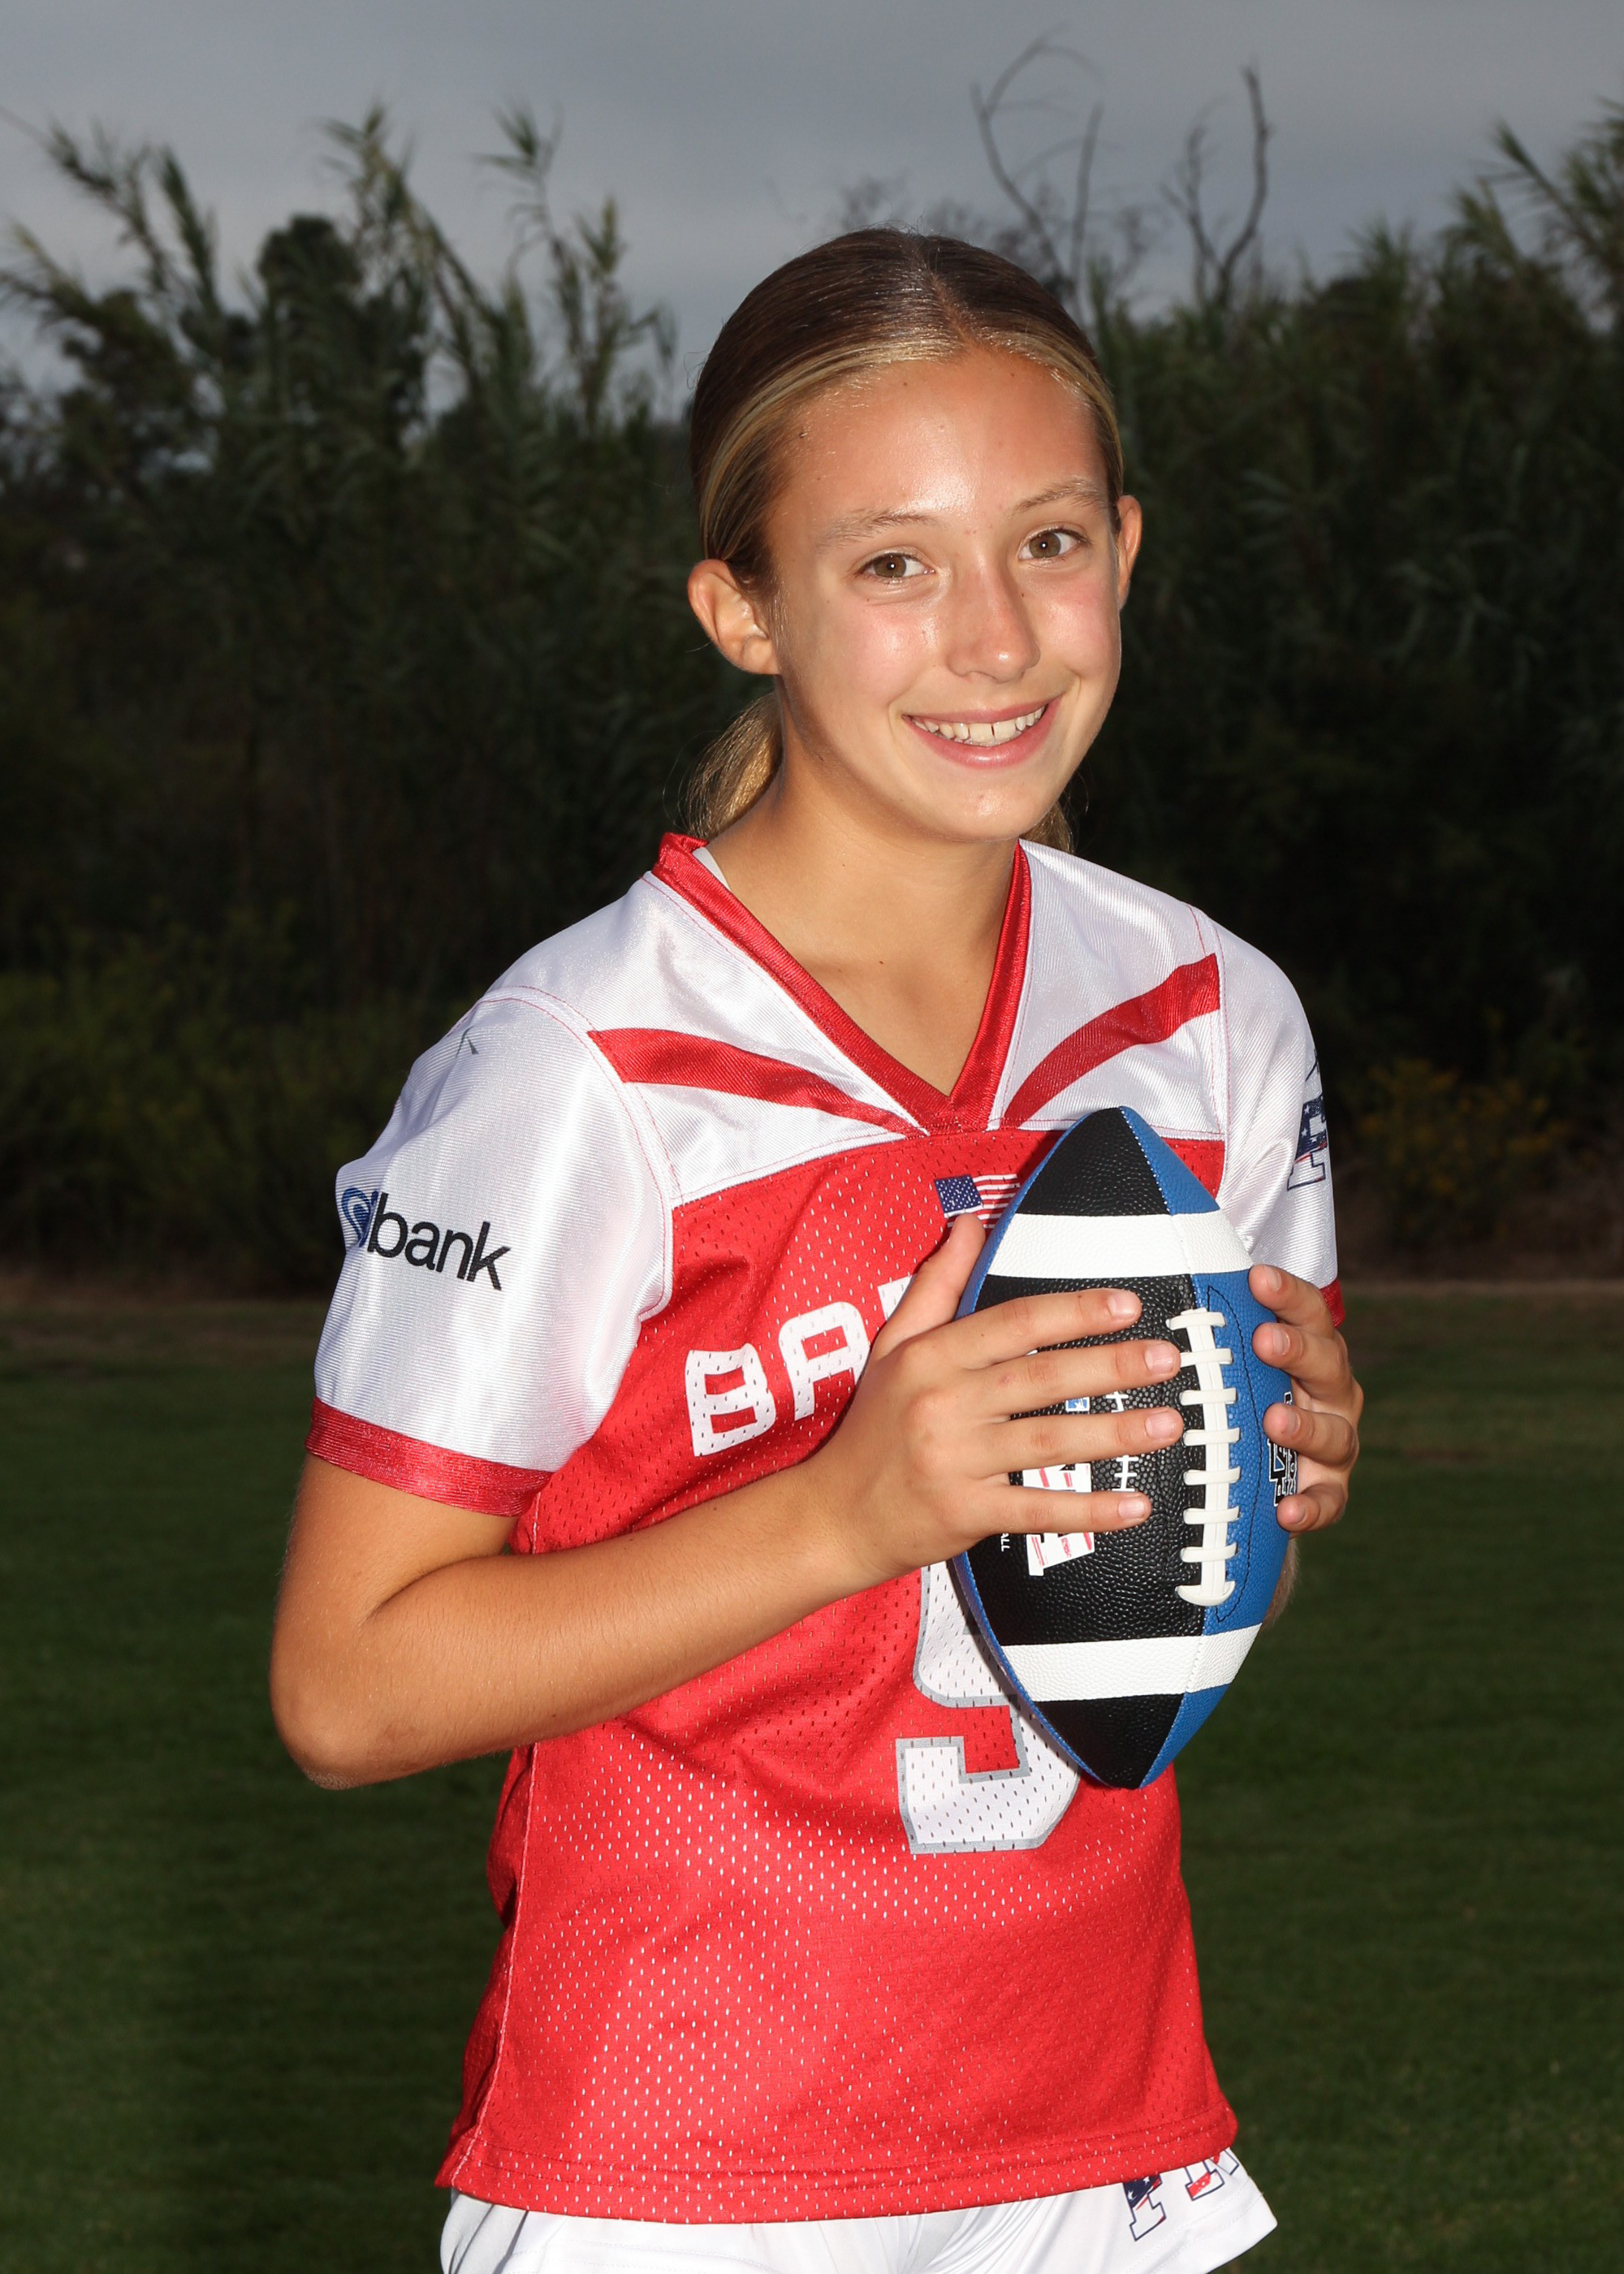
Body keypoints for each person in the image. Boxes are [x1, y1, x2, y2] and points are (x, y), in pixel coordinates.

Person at [270, 230, 1363, 2274]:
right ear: (742, 608)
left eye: (1047, 541)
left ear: (1125, 549)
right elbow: (345, 1687)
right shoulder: (581, 1064)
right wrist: (847, 1508)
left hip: (1095, 2140)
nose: (994, 636)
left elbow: (1184, 1602)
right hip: (676, 2168)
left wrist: (1263, 1484)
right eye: (891, 564)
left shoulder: (1212, 1017)